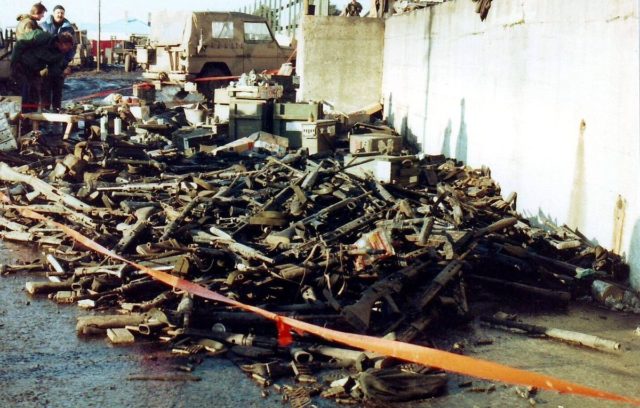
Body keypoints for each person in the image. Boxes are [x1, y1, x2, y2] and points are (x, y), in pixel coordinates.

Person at [10, 31, 75, 112]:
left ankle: (32, 120)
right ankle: (20, 120)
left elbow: (54, 71)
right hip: (21, 67)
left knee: (34, 95)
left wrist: (62, 72)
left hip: (35, 72)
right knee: (23, 94)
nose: (68, 50)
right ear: (62, 43)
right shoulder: (42, 36)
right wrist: (14, 63)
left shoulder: (59, 55)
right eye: (68, 47)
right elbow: (20, 43)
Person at [40, 5, 76, 111]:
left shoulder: (69, 28)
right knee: (45, 90)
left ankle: (57, 113)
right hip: (46, 64)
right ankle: (45, 114)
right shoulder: (43, 26)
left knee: (58, 90)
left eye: (62, 13)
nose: (60, 15)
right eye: (58, 12)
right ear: (53, 13)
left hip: (60, 64)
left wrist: (65, 61)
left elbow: (73, 46)